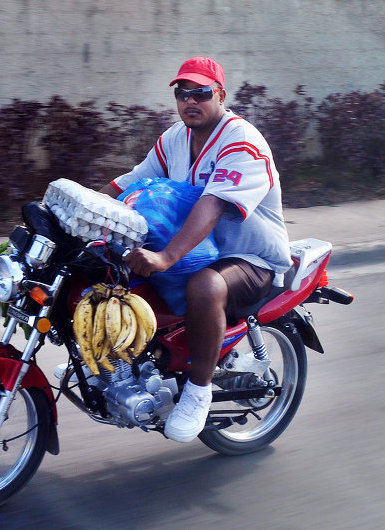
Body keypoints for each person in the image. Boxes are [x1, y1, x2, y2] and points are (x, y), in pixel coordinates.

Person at [100, 56, 291, 442]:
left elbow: (213, 203)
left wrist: (167, 256)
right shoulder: (174, 138)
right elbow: (131, 182)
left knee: (205, 286)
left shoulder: (242, 141)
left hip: (249, 257)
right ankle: (114, 365)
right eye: (183, 93)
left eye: (201, 93)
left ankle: (198, 392)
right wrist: (75, 210)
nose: (191, 101)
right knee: (108, 269)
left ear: (220, 95)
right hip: (202, 250)